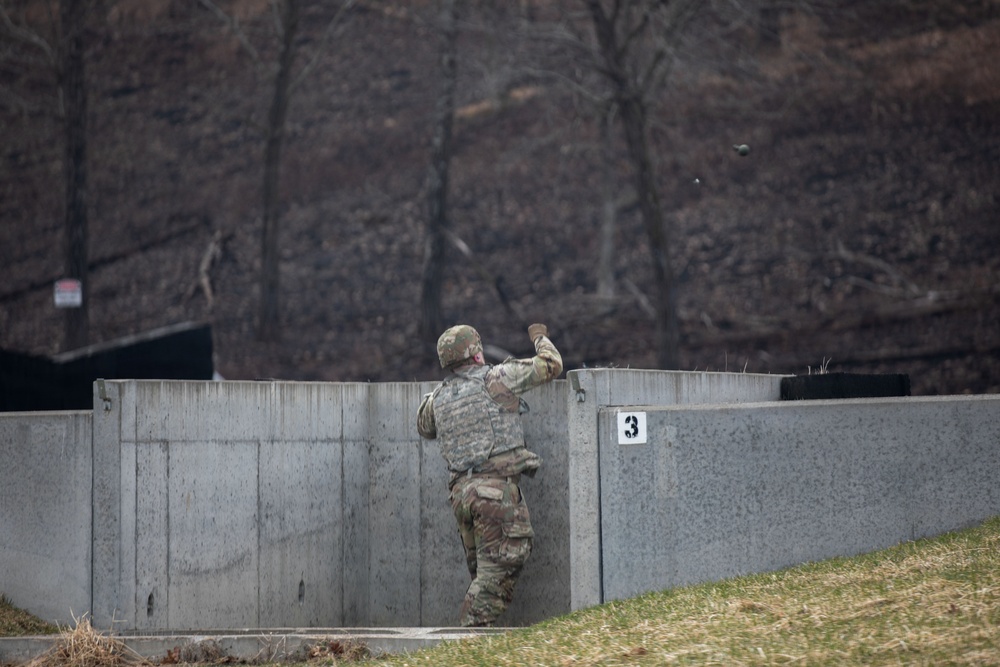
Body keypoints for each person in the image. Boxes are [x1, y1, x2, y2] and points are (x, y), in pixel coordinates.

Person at [417, 323, 563, 627]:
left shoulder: (438, 397)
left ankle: (476, 644)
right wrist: (539, 337)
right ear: (477, 353)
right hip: (494, 493)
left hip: (462, 497)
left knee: (483, 575)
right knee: (498, 574)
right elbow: (552, 365)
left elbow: (425, 427)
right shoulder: (497, 379)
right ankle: (465, 641)